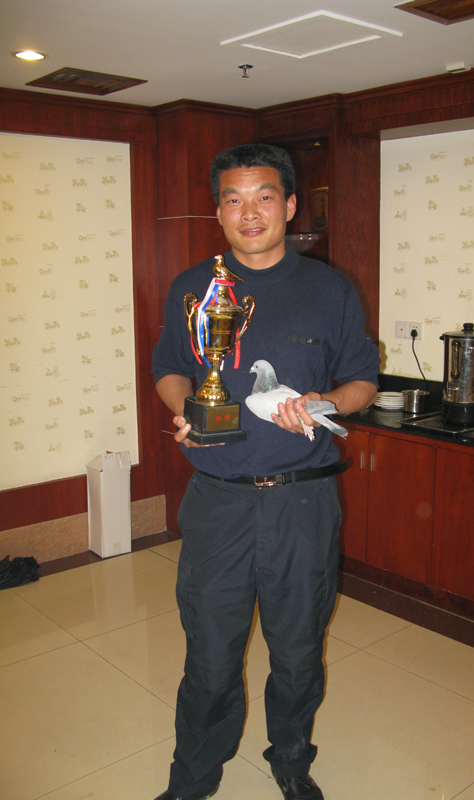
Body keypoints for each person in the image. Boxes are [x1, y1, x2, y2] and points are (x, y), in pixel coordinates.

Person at [151, 143, 380, 800]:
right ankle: (192, 779)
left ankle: (291, 760)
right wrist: (185, 408)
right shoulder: (194, 288)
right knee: (210, 654)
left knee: (299, 649)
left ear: (290, 205)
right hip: (218, 501)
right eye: (234, 199)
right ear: (218, 210)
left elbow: (363, 380)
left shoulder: (329, 289)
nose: (249, 213)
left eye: (264, 197)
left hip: (302, 503)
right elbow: (169, 368)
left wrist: (324, 402)